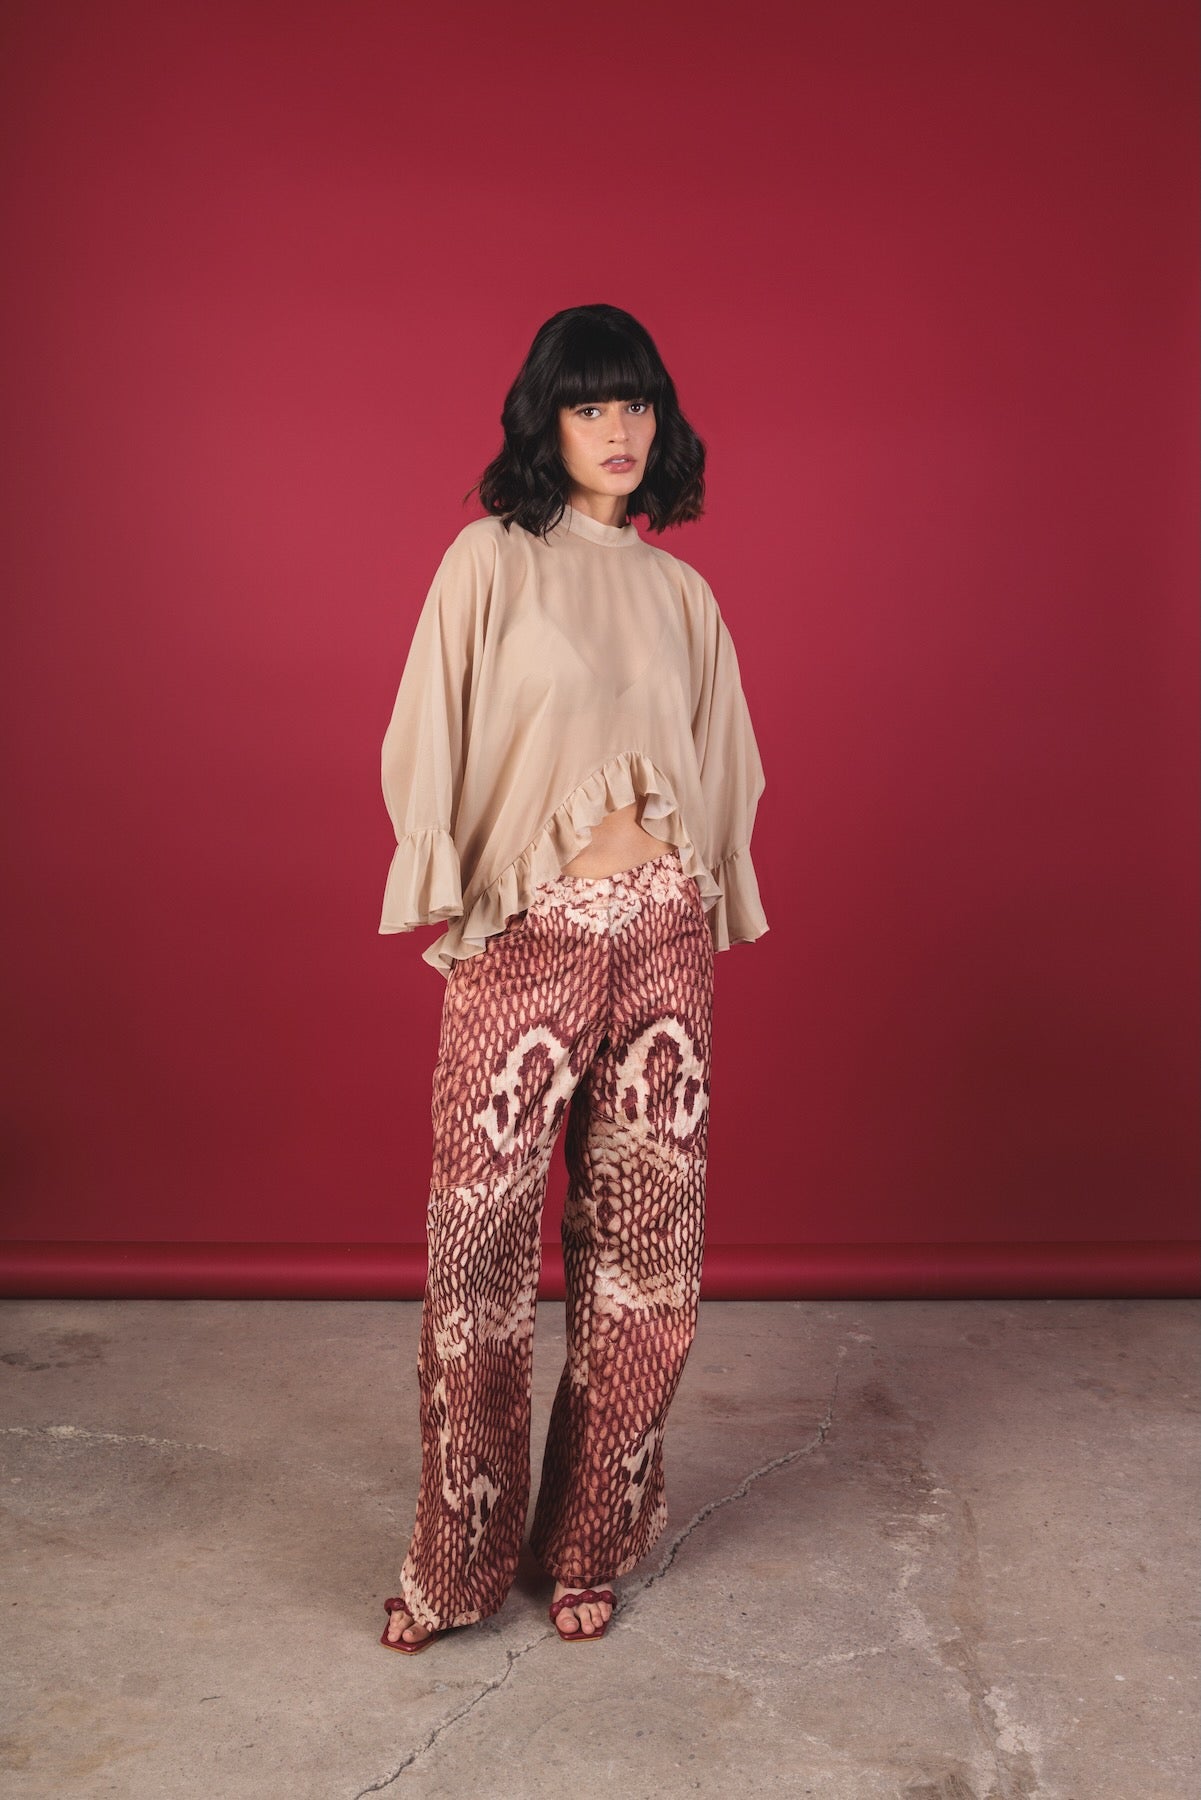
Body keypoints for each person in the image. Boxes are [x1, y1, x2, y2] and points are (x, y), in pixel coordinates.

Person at [376, 303, 768, 1651]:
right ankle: (457, 1562)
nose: (617, 430)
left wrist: (702, 896)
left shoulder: (681, 595)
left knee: (648, 1267)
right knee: (477, 1257)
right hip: (527, 938)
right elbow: (427, 724)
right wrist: (451, 880)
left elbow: (724, 765)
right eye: (590, 404)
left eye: (636, 404)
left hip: (660, 942)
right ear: (545, 419)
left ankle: (590, 1542)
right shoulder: (488, 560)